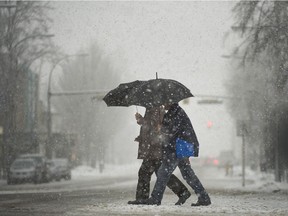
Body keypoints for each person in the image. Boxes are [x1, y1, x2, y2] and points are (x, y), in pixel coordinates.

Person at [140, 103, 211, 206]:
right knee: (187, 174)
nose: (163, 105)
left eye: (165, 102)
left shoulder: (176, 113)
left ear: (171, 102)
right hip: (179, 147)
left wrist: (161, 129)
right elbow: (169, 131)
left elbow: (171, 132)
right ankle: (204, 197)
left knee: (163, 172)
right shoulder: (174, 112)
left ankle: (156, 198)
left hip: (177, 147)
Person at [128, 106, 191, 205]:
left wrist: (142, 121)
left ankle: (142, 198)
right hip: (154, 148)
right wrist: (141, 135)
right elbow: (152, 128)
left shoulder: (155, 109)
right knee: (160, 173)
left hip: (154, 148)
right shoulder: (153, 108)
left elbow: (155, 127)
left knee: (145, 172)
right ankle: (182, 192)